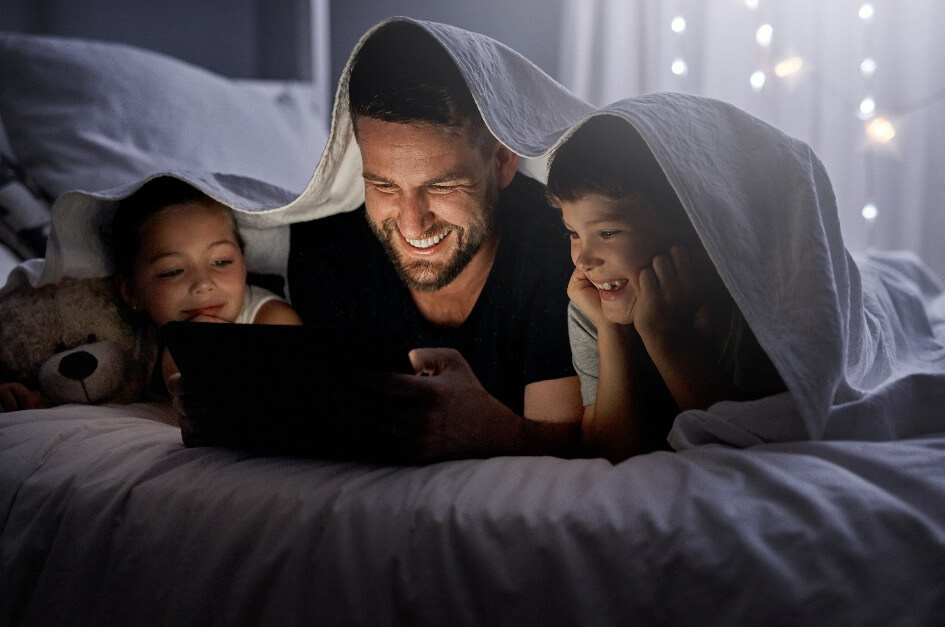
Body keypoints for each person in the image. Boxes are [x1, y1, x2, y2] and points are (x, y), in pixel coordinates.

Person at [280, 22, 583, 461]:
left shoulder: (560, 248)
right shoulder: (330, 250)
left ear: (502, 162)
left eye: (442, 187)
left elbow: (572, 453)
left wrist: (486, 429)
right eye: (383, 185)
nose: (412, 223)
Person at [547, 115, 786, 461]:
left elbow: (753, 453)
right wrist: (612, 330)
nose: (583, 259)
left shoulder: (750, 306)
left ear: (690, 224)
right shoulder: (592, 306)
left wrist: (665, 334)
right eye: (573, 233)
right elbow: (612, 457)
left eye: (608, 233)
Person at [106, 177, 301, 389]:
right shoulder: (120, 337)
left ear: (244, 263)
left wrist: (200, 344)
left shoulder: (274, 322)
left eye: (221, 262)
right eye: (173, 272)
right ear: (130, 291)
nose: (203, 283)